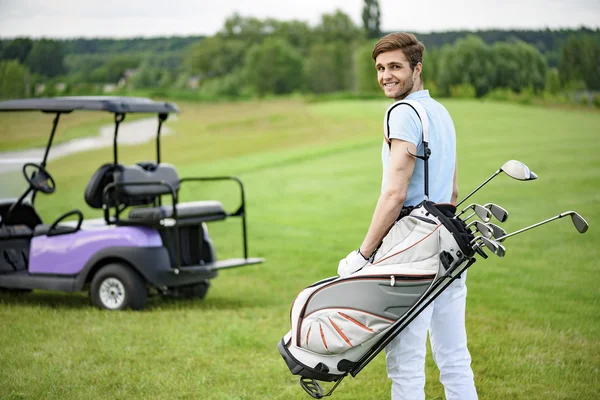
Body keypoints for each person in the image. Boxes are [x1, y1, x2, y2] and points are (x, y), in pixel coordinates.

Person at [337, 32, 478, 400]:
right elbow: (452, 191)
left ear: (417, 68)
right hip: (449, 244)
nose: (386, 75)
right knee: (453, 357)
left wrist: (363, 254)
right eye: (380, 68)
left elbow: (395, 192)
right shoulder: (441, 112)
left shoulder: (402, 113)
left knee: (406, 365)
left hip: (411, 252)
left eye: (395, 67)